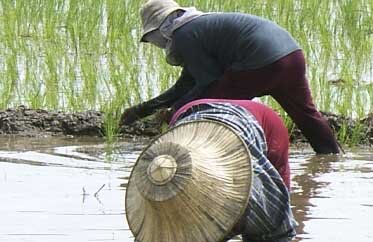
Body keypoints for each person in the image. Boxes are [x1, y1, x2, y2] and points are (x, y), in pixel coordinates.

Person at [118, 99, 296, 242]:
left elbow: (280, 232)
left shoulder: (253, 194)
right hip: (190, 127)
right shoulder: (160, 182)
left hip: (259, 125)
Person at [119, 0, 341, 154]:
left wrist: (176, 111)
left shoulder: (185, 35)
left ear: (159, 29)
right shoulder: (196, 29)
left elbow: (208, 83)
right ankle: (330, 157)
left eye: (151, 38)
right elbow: (186, 84)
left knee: (206, 108)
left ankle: (215, 156)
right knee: (306, 115)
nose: (155, 44)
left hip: (259, 62)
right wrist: (142, 110)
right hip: (291, 56)